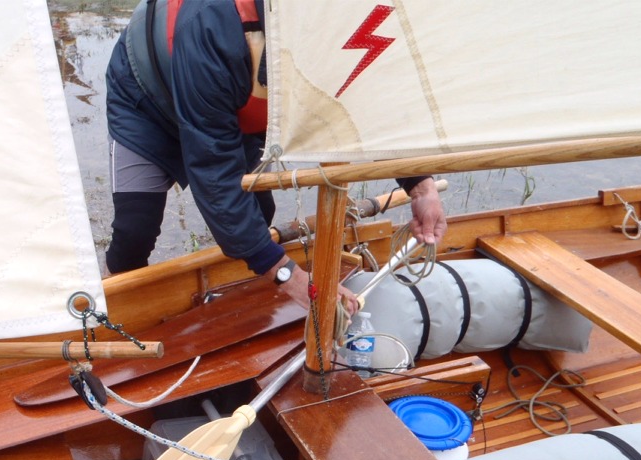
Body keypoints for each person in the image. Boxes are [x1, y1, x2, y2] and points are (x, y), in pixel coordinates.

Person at [105, 0, 447, 311]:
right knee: (136, 228)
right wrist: (292, 279)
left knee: (259, 212)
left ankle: (248, 305)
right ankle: (111, 314)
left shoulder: (343, 16)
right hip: (147, 103)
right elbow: (214, 172)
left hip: (227, 110)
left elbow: (372, 99)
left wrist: (421, 186)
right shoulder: (211, 19)